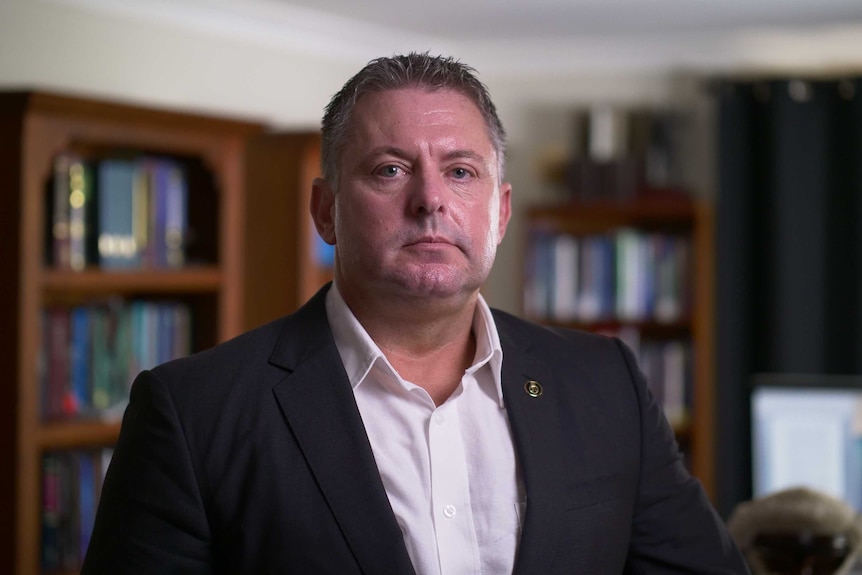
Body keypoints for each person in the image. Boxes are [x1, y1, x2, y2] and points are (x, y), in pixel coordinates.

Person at [82, 52, 749, 574]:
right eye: (390, 169)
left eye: (461, 171)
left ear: (501, 211)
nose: (431, 199)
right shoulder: (193, 413)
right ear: (325, 210)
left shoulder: (606, 385)